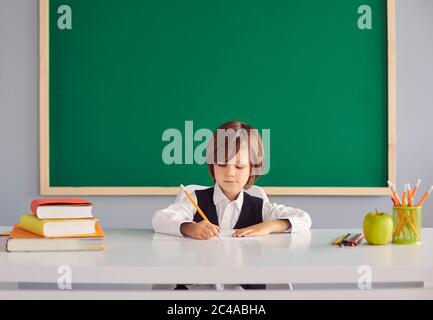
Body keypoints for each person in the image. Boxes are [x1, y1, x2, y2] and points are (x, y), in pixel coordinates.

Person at [152, 120, 312, 290]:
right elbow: (160, 219)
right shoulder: (196, 199)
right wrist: (189, 228)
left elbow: (304, 218)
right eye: (222, 164)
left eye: (239, 166)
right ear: (213, 165)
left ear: (253, 168)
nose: (230, 172)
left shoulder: (260, 207)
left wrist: (270, 226)